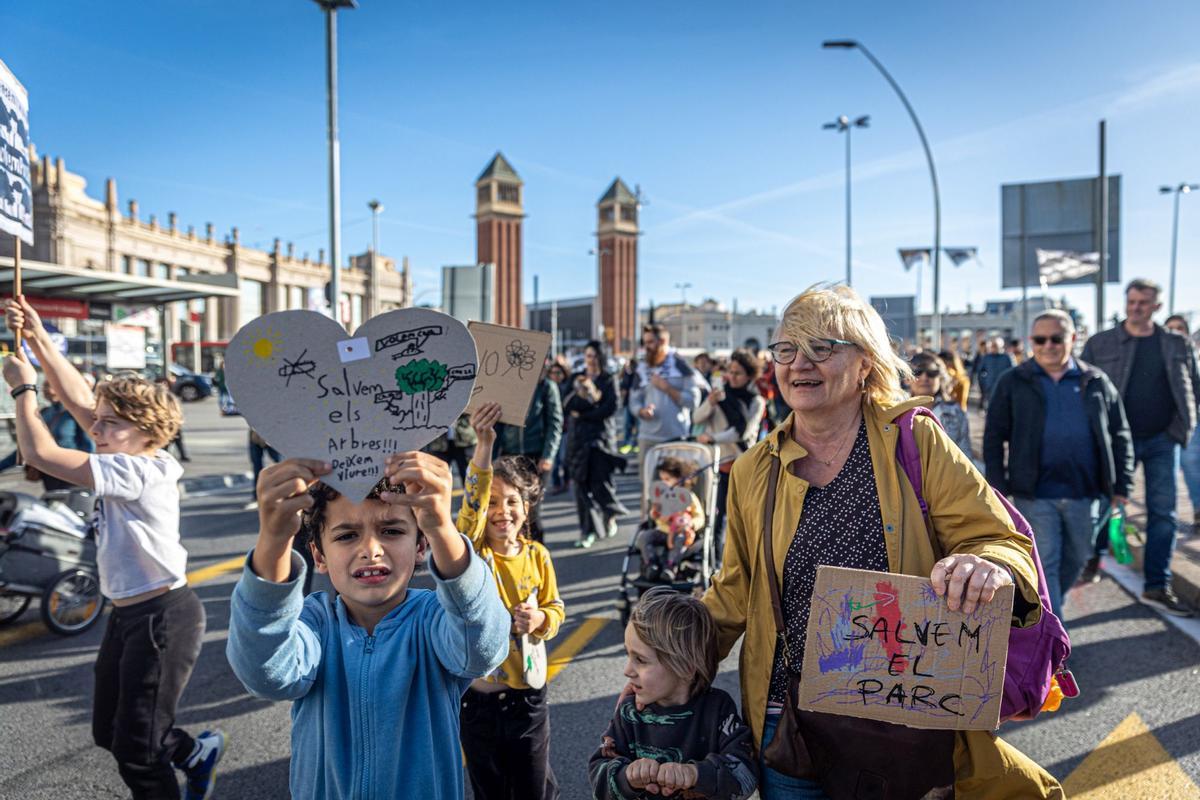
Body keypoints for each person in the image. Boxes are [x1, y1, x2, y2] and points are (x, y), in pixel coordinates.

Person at [702, 284, 1062, 799]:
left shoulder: (916, 440)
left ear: (866, 363)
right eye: (786, 349)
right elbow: (735, 591)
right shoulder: (755, 468)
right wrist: (669, 658)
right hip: (791, 722)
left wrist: (987, 564)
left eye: (822, 348)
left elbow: (998, 536)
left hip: (905, 716)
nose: (799, 363)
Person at [4, 295, 226, 800]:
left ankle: (180, 762)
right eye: (98, 421)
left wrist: (24, 388)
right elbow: (80, 395)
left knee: (139, 755)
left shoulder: (141, 467)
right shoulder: (125, 447)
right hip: (127, 616)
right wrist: (38, 336)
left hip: (162, 617)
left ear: (145, 432)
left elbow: (40, 451)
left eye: (109, 424)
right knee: (109, 733)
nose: (95, 429)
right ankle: (194, 753)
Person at [225, 451, 510, 800]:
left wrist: (442, 529)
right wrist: (274, 540)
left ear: (421, 546)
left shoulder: (435, 619)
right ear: (318, 557)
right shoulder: (313, 623)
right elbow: (265, 673)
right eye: (346, 536)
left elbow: (483, 650)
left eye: (391, 530)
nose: (371, 550)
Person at [983, 310, 1134, 620]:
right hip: (1035, 493)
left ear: (1073, 339)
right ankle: (1056, 636)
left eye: (1056, 338)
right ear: (1031, 342)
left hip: (1086, 492)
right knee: (1046, 561)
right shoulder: (1013, 381)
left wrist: (1123, 485)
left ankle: (1053, 611)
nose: (1048, 345)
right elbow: (994, 437)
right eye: (1040, 339)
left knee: (1079, 556)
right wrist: (997, 488)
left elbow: (1120, 433)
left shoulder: (1095, 380)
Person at [456, 401, 565, 800]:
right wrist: (483, 445)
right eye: (494, 503)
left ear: (528, 506)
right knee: (490, 790)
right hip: (477, 702)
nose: (502, 512)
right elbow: (470, 510)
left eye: (513, 501)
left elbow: (555, 609)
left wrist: (538, 619)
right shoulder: (473, 553)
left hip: (528, 698)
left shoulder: (538, 556)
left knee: (534, 786)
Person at [1081, 278, 1200, 616]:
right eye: (1131, 301)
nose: (1135, 308)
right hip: (1118, 440)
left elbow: (1193, 385)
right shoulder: (1101, 343)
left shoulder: (1176, 343)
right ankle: (1093, 560)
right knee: (1106, 501)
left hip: (1164, 438)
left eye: (1143, 303)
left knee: (1164, 511)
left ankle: (1157, 584)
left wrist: (1183, 428)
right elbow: (1082, 388)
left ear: (1156, 306)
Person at [589, 588, 758, 800]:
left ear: (686, 667)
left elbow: (745, 775)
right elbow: (598, 775)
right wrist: (627, 777)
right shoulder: (630, 712)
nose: (627, 670)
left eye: (640, 660)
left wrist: (695, 774)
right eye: (628, 655)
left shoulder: (718, 710)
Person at [694, 348, 766, 568]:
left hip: (743, 466)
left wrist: (713, 437)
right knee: (716, 519)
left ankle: (745, 564)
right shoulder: (721, 395)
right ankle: (716, 564)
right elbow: (696, 417)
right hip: (718, 465)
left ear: (749, 377)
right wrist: (711, 403)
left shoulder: (756, 401)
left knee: (743, 520)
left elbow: (743, 431)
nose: (732, 378)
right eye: (730, 372)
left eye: (738, 374)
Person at [564, 340, 628, 548]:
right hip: (578, 440)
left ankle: (610, 513)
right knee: (580, 487)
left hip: (601, 440)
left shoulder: (608, 379)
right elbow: (567, 403)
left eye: (593, 355)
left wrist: (584, 413)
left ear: (600, 357)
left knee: (602, 484)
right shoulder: (576, 377)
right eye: (587, 355)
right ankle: (587, 530)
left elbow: (611, 407)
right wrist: (587, 405)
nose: (589, 359)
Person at [495, 366, 564, 542]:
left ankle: (537, 555)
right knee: (513, 511)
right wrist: (492, 457)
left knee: (531, 511)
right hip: (511, 457)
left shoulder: (546, 386)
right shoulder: (507, 385)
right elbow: (498, 424)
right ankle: (517, 554)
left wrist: (548, 456)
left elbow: (555, 423)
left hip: (537, 457)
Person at [628, 324, 706, 477]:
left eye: (650, 342)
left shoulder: (682, 366)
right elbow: (633, 400)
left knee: (675, 492)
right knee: (649, 492)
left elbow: (693, 402)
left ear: (663, 341)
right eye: (645, 343)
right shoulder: (642, 369)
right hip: (647, 438)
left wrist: (667, 388)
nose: (646, 347)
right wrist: (641, 411)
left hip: (675, 438)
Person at [0, 379, 95, 491]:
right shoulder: (44, 413)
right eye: (45, 386)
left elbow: (89, 448)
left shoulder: (75, 414)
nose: (49, 390)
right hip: (50, 478)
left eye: (53, 386)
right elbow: (26, 447)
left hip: (74, 480)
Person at [640, 455, 706, 581]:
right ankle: (651, 564)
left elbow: (699, 517)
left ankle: (670, 567)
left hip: (681, 532)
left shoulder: (688, 497)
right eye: (662, 479)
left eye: (667, 479)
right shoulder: (661, 497)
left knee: (680, 540)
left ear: (679, 479)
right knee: (644, 537)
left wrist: (691, 523)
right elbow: (655, 515)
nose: (664, 483)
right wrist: (655, 514)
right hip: (663, 531)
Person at [1165, 314, 1200, 537]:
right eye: (1170, 329)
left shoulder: (1191, 354)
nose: (1175, 332)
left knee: (1191, 462)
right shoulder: (1163, 355)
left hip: (1193, 417)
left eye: (1179, 328)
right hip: (1174, 424)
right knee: (1188, 464)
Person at [909, 351, 974, 461]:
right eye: (918, 372)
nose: (925, 377)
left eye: (932, 372)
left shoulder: (956, 412)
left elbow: (965, 456)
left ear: (941, 377)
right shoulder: (895, 412)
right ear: (907, 378)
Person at [975, 336, 1015, 410]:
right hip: (990, 388)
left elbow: (1014, 372)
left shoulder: (1007, 357)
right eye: (992, 346)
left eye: (995, 346)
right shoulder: (987, 357)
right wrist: (984, 382)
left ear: (1001, 346)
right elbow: (980, 371)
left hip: (1004, 388)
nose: (993, 348)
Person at [618, 357, 639, 454]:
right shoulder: (626, 374)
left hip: (637, 404)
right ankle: (627, 444)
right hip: (627, 403)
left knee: (637, 426)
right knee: (627, 425)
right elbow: (622, 387)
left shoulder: (637, 375)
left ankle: (636, 445)